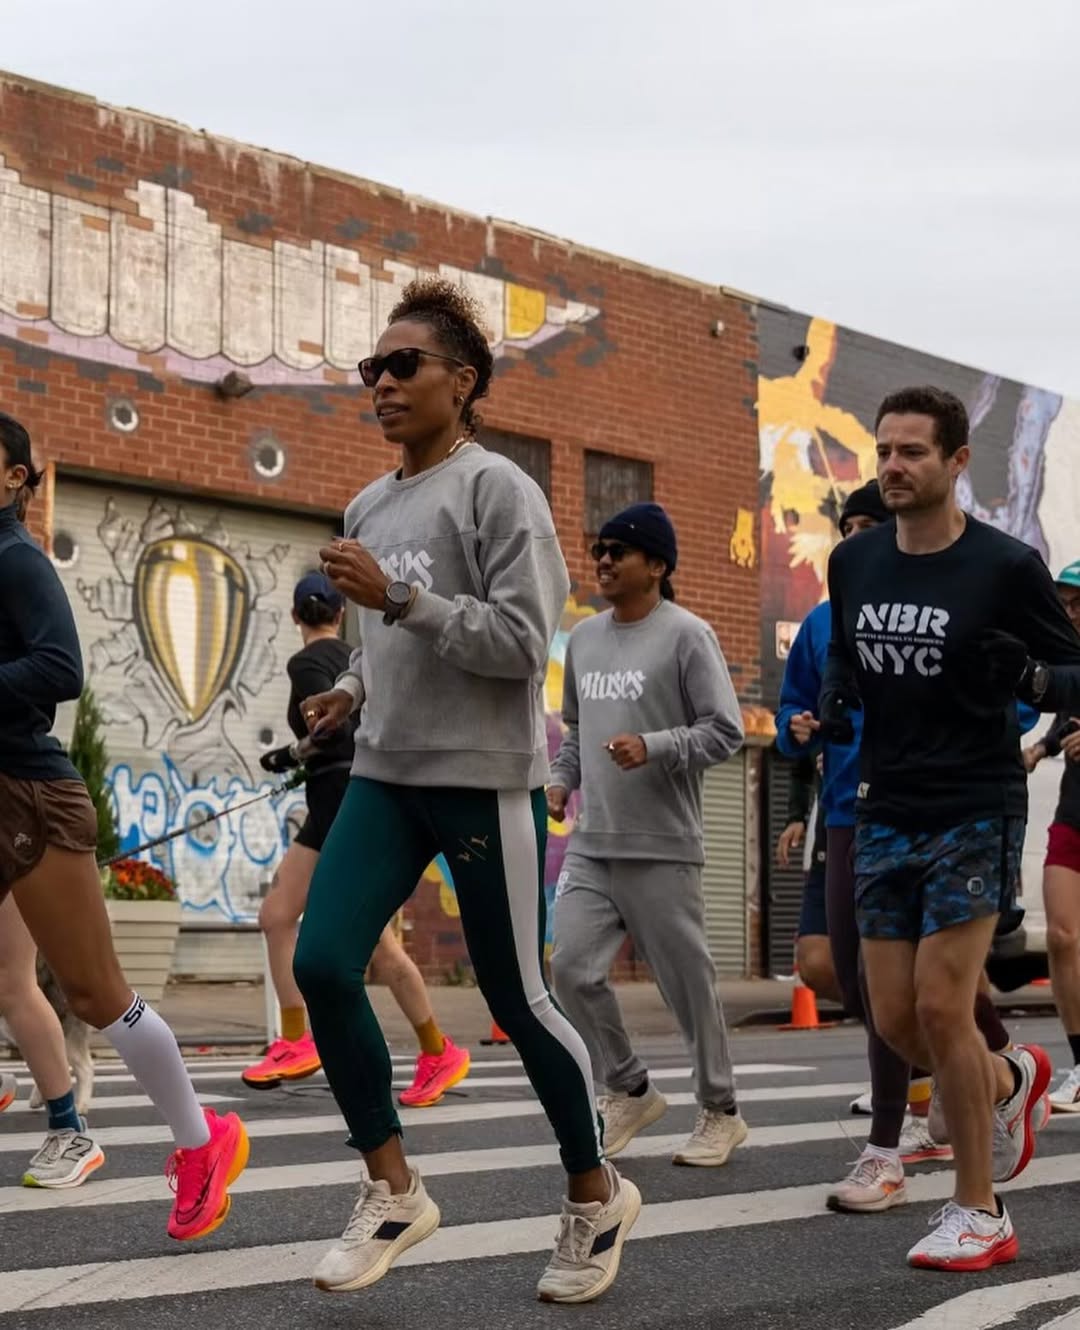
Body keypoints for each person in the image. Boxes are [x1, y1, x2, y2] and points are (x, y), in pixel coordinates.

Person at [291, 278, 639, 1304]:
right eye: (373, 369)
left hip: (483, 780)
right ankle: (391, 1189)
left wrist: (398, 594)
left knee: (517, 1000)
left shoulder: (499, 492)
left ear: (464, 380)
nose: (384, 383)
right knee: (319, 961)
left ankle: (593, 1190)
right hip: (387, 776)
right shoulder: (370, 500)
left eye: (405, 366)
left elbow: (526, 644)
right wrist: (350, 688)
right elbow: (381, 638)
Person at [823, 385, 1080, 1271]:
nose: (893, 467)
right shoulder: (854, 566)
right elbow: (853, 661)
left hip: (976, 802)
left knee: (942, 1002)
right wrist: (834, 695)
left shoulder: (1005, 568)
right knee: (890, 1013)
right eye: (884, 451)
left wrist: (1039, 686)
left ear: (957, 463)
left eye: (913, 453)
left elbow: (1075, 670)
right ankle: (1012, 1078)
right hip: (886, 804)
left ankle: (981, 1210)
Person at [0, 410, 248, 1238]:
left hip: (29, 800)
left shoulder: (16, 560)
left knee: (95, 992)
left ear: (12, 477)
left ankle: (200, 1138)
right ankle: (68, 1125)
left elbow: (60, 668)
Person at [546, 503, 747, 1166]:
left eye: (619, 551)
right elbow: (576, 732)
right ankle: (628, 1085)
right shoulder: (586, 640)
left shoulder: (688, 635)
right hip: (595, 841)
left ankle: (721, 1111)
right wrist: (558, 780)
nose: (603, 560)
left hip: (663, 843)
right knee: (570, 968)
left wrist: (655, 745)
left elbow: (725, 730)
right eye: (600, 550)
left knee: (688, 983)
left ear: (657, 566)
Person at [242, 572, 470, 1108]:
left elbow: (332, 730)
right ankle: (297, 1039)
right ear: (340, 613)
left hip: (340, 801)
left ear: (297, 616)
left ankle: (438, 1050)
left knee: (374, 943)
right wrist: (297, 757)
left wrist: (297, 752)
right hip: (331, 802)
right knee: (277, 915)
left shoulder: (305, 663)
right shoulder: (353, 657)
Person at [1022, 560, 1080, 1111]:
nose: (1071, 612)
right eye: (1065, 603)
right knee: (1062, 938)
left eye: (1079, 602)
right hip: (1074, 813)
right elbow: (1064, 721)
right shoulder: (1068, 664)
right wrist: (1037, 752)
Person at [777, 752, 838, 1001]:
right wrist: (796, 816)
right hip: (829, 831)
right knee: (816, 963)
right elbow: (801, 764)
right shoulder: (823, 715)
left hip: (893, 827)